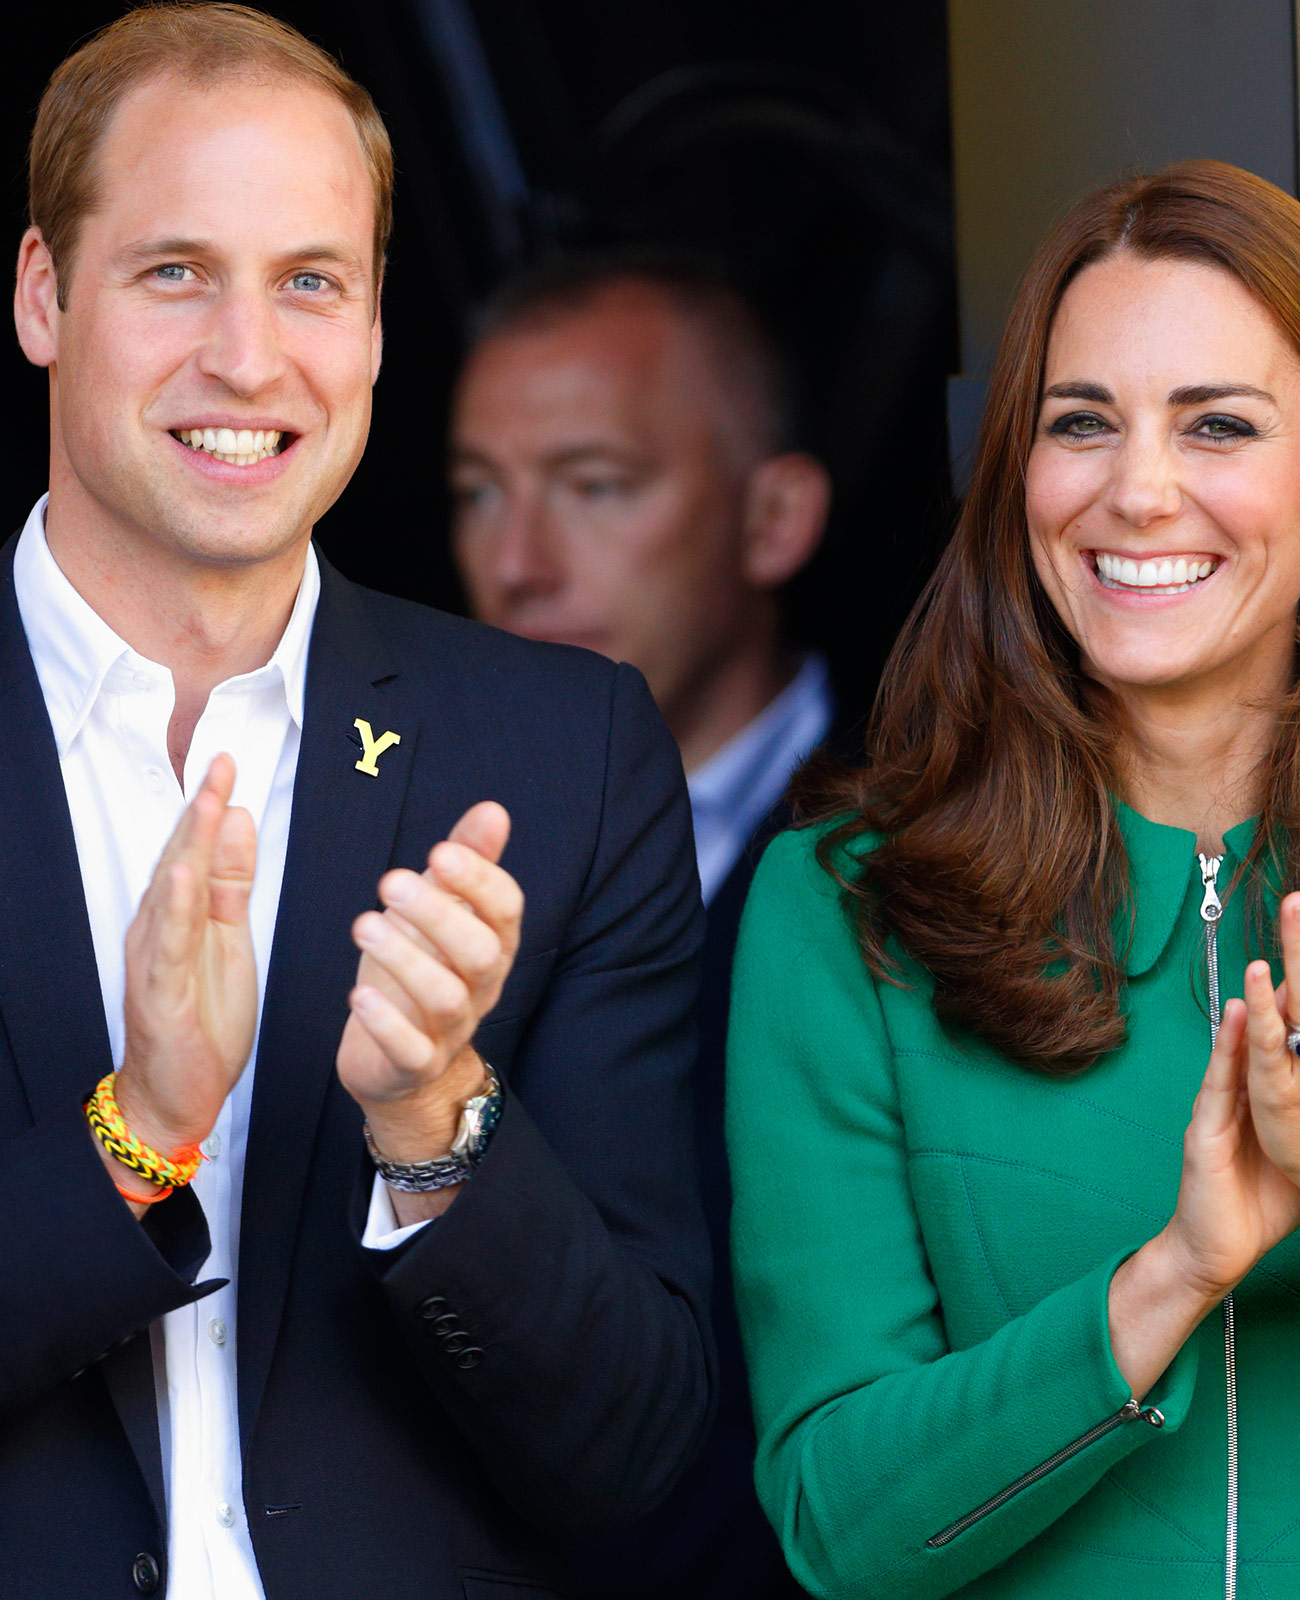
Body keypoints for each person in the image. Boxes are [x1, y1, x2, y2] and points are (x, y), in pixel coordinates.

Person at [0, 8, 712, 1598]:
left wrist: (437, 1127)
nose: (251, 360)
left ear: (380, 324)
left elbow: (629, 1454)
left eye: (311, 280)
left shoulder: (564, 755)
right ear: (45, 295)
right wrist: (137, 1139)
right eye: (176, 270)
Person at [727, 160, 1300, 1600]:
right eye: (1081, 424)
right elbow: (840, 1530)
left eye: (1217, 425)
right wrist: (1170, 1276)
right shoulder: (843, 908)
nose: (1137, 491)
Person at [451, 256, 831, 1598]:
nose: (517, 563)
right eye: (480, 492)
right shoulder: (419, 840)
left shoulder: (937, 843)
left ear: (774, 516)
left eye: (597, 485)